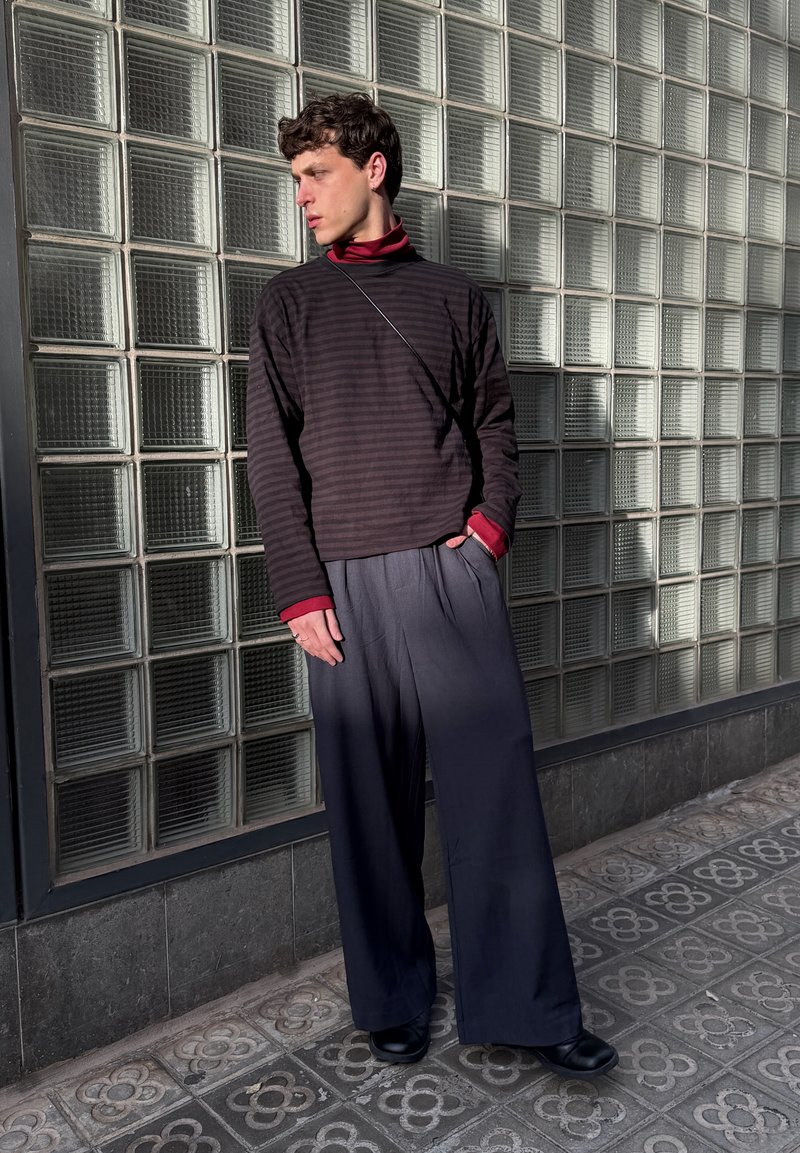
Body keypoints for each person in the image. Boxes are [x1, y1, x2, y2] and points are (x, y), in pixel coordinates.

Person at [247, 92, 618, 1078]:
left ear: (372, 169)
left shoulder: (455, 298)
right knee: (369, 811)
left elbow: (493, 420)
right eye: (294, 180)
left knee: (494, 794)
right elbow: (269, 460)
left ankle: (530, 1008)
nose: (302, 198)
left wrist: (486, 529)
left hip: (449, 575)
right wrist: (298, 589)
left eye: (315, 173)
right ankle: (392, 998)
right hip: (341, 588)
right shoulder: (285, 305)